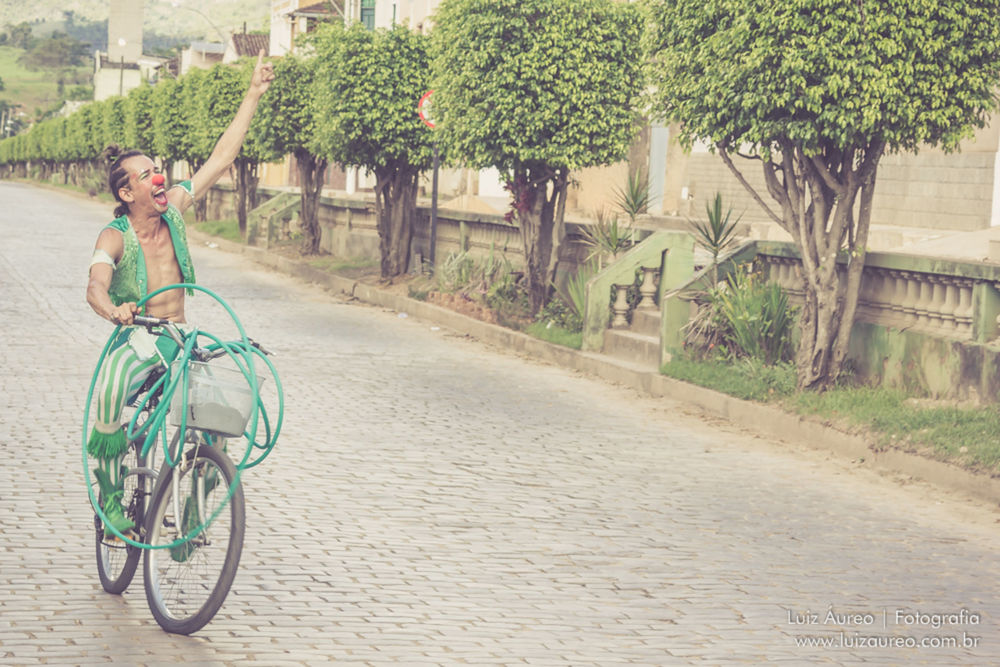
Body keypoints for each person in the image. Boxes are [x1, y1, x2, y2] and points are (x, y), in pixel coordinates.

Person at [85, 51, 275, 537]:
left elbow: (221, 158)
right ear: (128, 194)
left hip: (181, 338)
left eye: (158, 169)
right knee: (108, 398)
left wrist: (253, 93)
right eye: (146, 174)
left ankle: (193, 514)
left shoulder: (175, 212)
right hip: (140, 339)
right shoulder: (114, 236)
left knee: (221, 415)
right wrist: (116, 312)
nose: (158, 175)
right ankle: (111, 502)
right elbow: (95, 287)